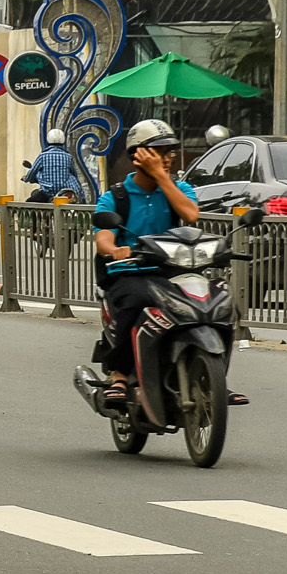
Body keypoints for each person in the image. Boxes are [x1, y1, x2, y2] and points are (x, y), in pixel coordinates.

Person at [93, 119, 208, 410]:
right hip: (129, 273)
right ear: (138, 155)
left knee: (213, 300)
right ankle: (119, 374)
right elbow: (103, 237)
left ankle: (208, 375)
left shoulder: (179, 189)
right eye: (159, 151)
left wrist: (162, 177)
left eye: (170, 151)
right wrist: (116, 250)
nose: (167, 157)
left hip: (171, 271)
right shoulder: (114, 197)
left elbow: (191, 215)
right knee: (138, 299)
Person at [23, 128, 84, 203]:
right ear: (63, 141)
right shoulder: (68, 156)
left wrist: (26, 178)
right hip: (65, 192)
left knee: (29, 203)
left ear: (48, 139)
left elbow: (32, 173)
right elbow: (74, 173)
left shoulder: (43, 156)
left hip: (48, 192)